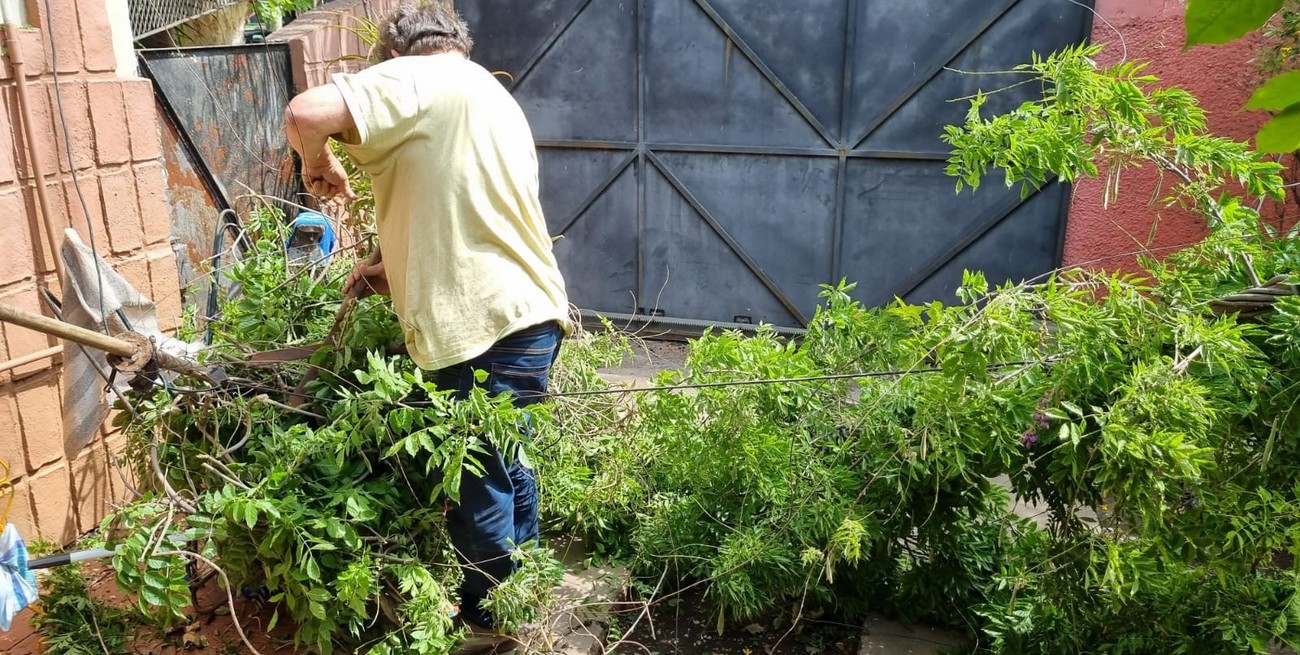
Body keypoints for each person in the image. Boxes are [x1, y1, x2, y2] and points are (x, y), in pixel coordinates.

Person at [283, 2, 571, 649]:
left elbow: (304, 114)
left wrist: (317, 163)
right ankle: (523, 602)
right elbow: (462, 205)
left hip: (480, 327)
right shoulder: (488, 96)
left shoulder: (417, 78)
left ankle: (487, 626)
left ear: (392, 56)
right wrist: (394, 266)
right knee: (507, 461)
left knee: (476, 485)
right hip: (529, 317)